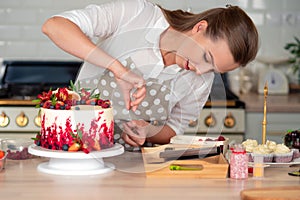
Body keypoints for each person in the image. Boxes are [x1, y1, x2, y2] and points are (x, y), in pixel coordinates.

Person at [42, 0, 258, 149]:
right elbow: (55, 26)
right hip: (74, 150)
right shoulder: (137, 15)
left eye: (213, 70)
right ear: (200, 27)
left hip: (134, 168)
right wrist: (118, 69)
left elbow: (175, 128)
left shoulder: (201, 79)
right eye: (207, 58)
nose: (201, 71)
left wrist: (149, 132)